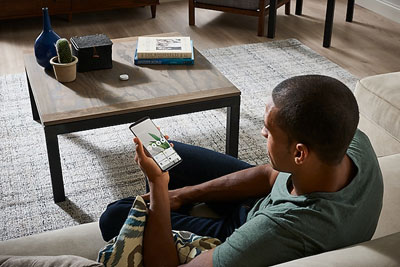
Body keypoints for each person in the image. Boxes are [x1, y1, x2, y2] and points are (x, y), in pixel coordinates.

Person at [99, 75, 383, 266]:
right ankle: (178, 211)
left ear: (299, 153)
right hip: (258, 203)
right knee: (174, 155)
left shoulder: (281, 229)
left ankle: (172, 216)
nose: (261, 133)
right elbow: (270, 176)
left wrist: (158, 186)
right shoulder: (352, 142)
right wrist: (182, 195)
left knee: (116, 215)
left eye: (268, 130)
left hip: (241, 227)